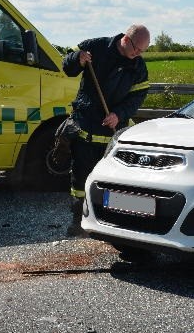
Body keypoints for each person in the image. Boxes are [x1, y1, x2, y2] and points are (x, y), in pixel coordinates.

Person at [62, 24, 150, 236]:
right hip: (85, 127)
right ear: (126, 40)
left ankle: (111, 224)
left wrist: (119, 114)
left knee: (113, 180)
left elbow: (138, 97)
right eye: (136, 49)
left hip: (112, 131)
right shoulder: (95, 47)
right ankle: (78, 221)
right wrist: (77, 59)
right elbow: (67, 66)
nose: (137, 55)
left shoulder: (138, 67)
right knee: (80, 179)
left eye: (142, 51)